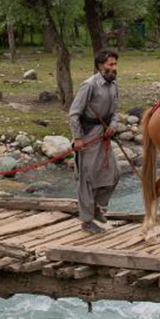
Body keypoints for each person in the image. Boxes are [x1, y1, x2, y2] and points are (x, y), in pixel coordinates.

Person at [68, 49, 120, 234]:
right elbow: (74, 114)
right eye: (110, 64)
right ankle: (87, 221)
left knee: (114, 174)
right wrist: (78, 138)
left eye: (115, 64)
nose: (114, 68)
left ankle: (98, 207)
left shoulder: (114, 85)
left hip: (104, 136)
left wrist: (113, 125)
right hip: (88, 136)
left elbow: (116, 111)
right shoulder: (89, 85)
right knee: (87, 180)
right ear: (100, 66)